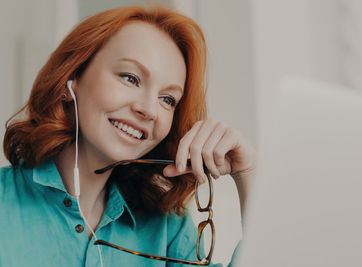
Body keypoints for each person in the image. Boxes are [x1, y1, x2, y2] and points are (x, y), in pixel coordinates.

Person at [0, 4, 255, 267]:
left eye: (167, 99)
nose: (148, 110)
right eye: (130, 78)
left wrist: (247, 173)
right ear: (71, 81)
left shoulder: (167, 230)